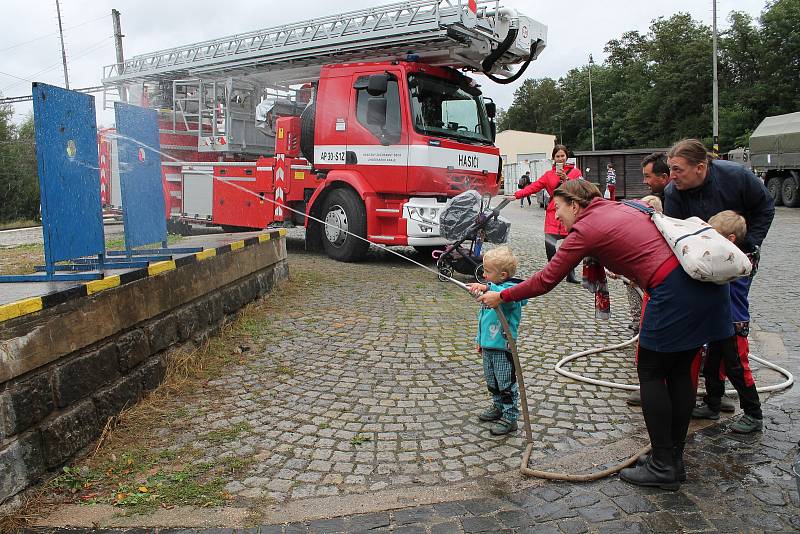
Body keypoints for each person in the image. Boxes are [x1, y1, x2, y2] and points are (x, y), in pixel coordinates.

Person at [478, 180, 733, 490]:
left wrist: (502, 297)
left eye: (557, 207)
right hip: (705, 284)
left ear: (575, 205)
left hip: (673, 293)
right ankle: (671, 460)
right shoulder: (621, 207)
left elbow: (546, 279)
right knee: (679, 373)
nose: (555, 215)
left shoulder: (586, 228)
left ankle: (663, 465)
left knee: (652, 373)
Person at [664, 138, 774, 433]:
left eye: (677, 170)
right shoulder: (673, 192)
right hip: (702, 264)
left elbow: (765, 208)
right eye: (669, 169)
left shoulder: (736, 177)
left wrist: (749, 247)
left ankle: (752, 412)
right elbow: (675, 235)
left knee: (729, 351)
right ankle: (713, 402)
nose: (671, 176)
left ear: (701, 168)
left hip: (736, 264)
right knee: (711, 343)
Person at [691, 210, 763, 432]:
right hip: (718, 321)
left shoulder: (739, 261)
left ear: (730, 239)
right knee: (712, 366)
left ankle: (754, 414)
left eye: (715, 236)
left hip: (734, 322)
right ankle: (712, 404)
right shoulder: (726, 255)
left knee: (738, 369)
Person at [467, 247, 527, 436]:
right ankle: (498, 407)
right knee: (492, 380)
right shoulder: (492, 291)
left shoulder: (511, 293)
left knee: (505, 383)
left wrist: (488, 288)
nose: (483, 274)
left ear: (502, 274)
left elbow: (506, 296)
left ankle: (510, 417)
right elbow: (483, 318)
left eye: (488, 271)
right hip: (488, 346)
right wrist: (480, 340)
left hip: (502, 347)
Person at [514, 144, 583, 283]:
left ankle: (571, 274)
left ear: (566, 157)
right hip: (553, 211)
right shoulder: (548, 175)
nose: (560, 158)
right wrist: (516, 195)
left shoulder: (576, 172)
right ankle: (554, 272)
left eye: (562, 156)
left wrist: (566, 179)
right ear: (553, 158)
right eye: (557, 156)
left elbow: (579, 189)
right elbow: (534, 187)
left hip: (569, 212)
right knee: (549, 244)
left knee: (570, 244)